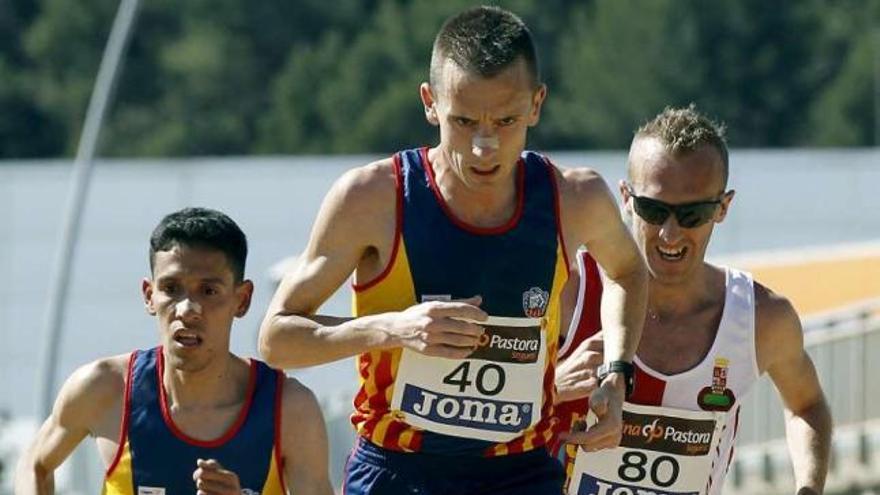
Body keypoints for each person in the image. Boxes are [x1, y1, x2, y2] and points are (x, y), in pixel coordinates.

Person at [258, 6, 647, 494]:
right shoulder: (373, 197)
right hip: (399, 469)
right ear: (430, 103)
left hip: (520, 471)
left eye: (505, 120)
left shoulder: (575, 198)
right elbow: (277, 338)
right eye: (463, 121)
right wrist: (393, 328)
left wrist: (617, 374)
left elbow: (629, 273)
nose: (484, 146)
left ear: (537, 104)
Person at [555, 106, 832, 494]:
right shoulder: (570, 288)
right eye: (654, 210)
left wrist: (809, 487)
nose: (670, 234)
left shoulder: (761, 318)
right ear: (626, 199)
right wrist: (550, 387)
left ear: (723, 208)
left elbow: (808, 405)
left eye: (693, 214)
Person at [15, 207, 333, 495]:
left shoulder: (289, 408)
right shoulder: (104, 387)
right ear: (149, 296)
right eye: (170, 289)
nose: (188, 309)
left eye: (208, 291)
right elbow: (35, 463)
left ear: (243, 300)